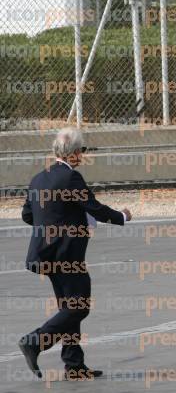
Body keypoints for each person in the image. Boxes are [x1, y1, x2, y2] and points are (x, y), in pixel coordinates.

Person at [18, 128, 132, 380]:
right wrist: (122, 216)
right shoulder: (71, 178)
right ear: (74, 153)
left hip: (44, 254)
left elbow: (27, 215)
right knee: (79, 306)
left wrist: (52, 223)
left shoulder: (38, 178)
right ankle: (34, 341)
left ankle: (74, 365)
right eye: (81, 150)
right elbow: (96, 209)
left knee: (68, 306)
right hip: (66, 255)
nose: (82, 155)